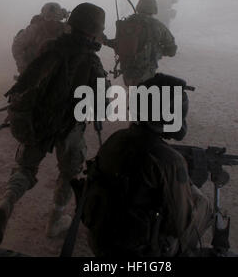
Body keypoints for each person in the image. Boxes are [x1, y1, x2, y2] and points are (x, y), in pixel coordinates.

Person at [0, 2, 109, 245]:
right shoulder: (92, 63)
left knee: (25, 169)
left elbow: (30, 77)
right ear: (94, 31)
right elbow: (98, 106)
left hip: (38, 121)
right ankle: (55, 221)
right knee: (70, 172)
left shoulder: (50, 48)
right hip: (68, 128)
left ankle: (7, 203)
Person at [75, 73, 213, 257]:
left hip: (100, 241)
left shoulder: (116, 139)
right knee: (202, 203)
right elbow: (181, 224)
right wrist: (185, 182)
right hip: (137, 252)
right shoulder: (169, 160)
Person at [104, 0, 177, 86]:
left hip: (126, 66)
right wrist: (159, 52)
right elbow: (172, 50)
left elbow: (117, 43)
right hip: (146, 69)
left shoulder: (127, 22)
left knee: (131, 92)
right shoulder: (157, 25)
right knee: (142, 95)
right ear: (154, 8)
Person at [11, 2, 70, 77]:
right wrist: (23, 66)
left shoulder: (64, 30)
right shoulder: (34, 29)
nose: (52, 21)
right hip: (34, 70)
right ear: (43, 18)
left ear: (59, 18)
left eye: (55, 18)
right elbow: (17, 46)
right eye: (48, 18)